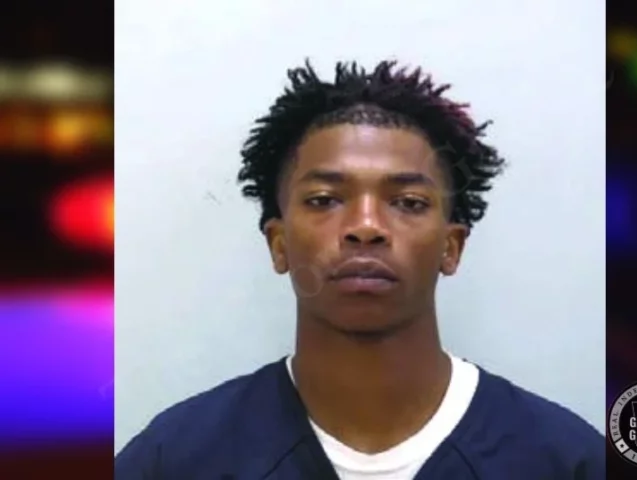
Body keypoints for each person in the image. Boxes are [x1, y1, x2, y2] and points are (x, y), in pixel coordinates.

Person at [115, 59, 605, 479]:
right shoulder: (173, 460)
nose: (366, 227)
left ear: (451, 247)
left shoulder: (566, 461)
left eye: (408, 202)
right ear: (279, 244)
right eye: (324, 199)